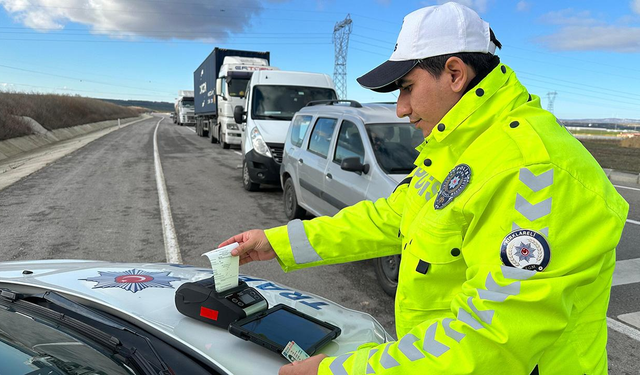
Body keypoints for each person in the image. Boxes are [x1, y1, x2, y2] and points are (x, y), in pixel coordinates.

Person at [220, 3, 629, 374]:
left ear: (454, 73)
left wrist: (336, 372)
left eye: (407, 87)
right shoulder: (460, 147)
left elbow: (491, 341)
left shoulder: (533, 169)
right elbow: (391, 218)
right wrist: (278, 243)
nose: (400, 108)